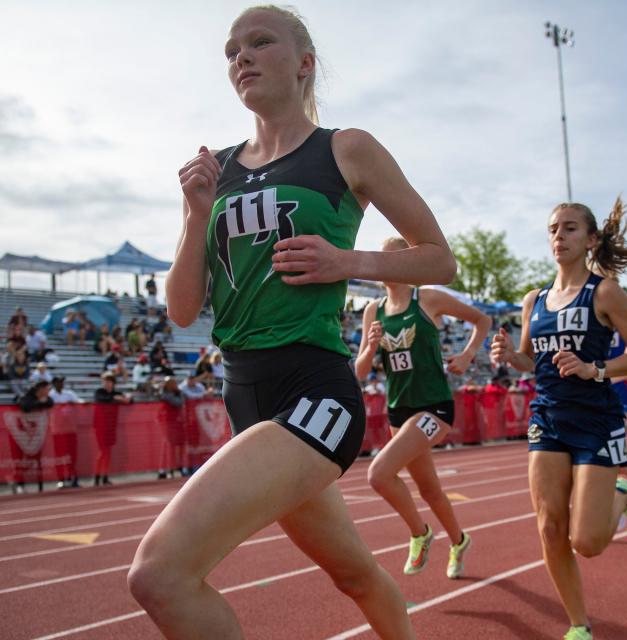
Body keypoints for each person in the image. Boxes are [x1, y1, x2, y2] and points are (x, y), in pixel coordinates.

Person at [127, 6, 456, 639]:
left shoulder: (345, 149)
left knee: (158, 575)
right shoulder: (216, 168)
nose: (240, 57)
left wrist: (347, 262)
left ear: (304, 63)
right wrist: (197, 215)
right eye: (231, 50)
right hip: (244, 395)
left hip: (315, 393)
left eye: (259, 42)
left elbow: (440, 257)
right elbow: (181, 309)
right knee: (355, 575)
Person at [490, 198, 627, 640]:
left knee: (588, 542)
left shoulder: (603, 292)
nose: (558, 237)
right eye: (552, 230)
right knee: (549, 526)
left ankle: (625, 498)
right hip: (547, 416)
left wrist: (595, 369)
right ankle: (579, 624)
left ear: (590, 239)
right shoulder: (535, 299)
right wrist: (510, 356)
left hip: (595, 421)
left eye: (569, 229)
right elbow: (530, 360)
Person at [355, 237, 492, 580]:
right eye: (379, 260)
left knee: (379, 474)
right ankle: (459, 541)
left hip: (434, 408)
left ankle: (420, 533)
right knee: (430, 490)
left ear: (405, 262)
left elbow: (482, 320)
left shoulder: (427, 298)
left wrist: (467, 354)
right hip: (399, 410)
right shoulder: (374, 311)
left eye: (389, 259)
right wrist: (371, 348)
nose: (382, 267)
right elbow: (359, 371)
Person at [93, 372, 132, 486]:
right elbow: (102, 399)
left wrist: (128, 397)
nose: (107, 383)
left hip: (111, 426)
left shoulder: (117, 393)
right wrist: (116, 398)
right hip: (100, 426)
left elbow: (128, 401)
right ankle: (97, 476)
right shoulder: (99, 392)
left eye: (109, 381)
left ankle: (105, 476)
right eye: (105, 381)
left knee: (108, 452)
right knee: (102, 451)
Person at [50, 376, 83, 489]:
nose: (61, 384)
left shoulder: (69, 393)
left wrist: (83, 403)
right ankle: (61, 479)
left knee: (72, 455)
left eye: (62, 382)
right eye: (59, 382)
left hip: (70, 429)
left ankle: (72, 477)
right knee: (60, 455)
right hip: (57, 430)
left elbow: (78, 401)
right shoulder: (51, 396)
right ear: (54, 384)